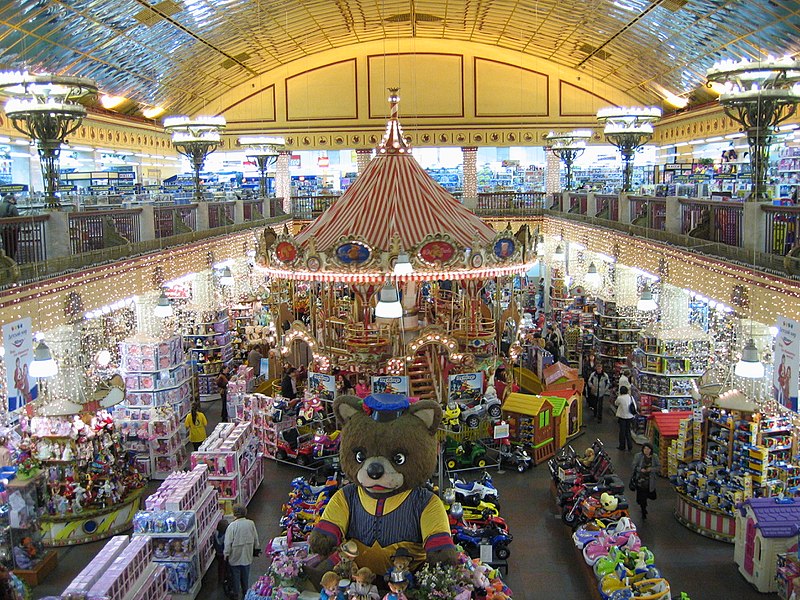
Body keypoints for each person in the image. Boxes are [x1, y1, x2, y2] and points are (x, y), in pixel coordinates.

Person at [224, 504, 260, 600]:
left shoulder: (232, 526)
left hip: (235, 554)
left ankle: (236, 593)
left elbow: (228, 542)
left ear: (234, 513)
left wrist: (226, 554)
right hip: (247, 553)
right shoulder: (250, 523)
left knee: (235, 575)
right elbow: (255, 537)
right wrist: (256, 548)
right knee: (245, 574)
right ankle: (246, 593)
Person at [632, 442, 660, 520]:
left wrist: (651, 469)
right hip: (640, 480)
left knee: (649, 495)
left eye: (648, 449)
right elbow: (634, 466)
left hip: (650, 481)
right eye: (645, 448)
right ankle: (643, 510)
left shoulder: (654, 457)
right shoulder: (638, 456)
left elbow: (658, 467)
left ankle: (644, 505)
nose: (646, 450)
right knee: (642, 496)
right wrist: (640, 470)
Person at [614, 386, 636, 451]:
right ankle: (630, 446)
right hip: (630, 416)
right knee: (628, 431)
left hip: (622, 417)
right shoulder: (630, 397)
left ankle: (622, 446)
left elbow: (616, 403)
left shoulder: (620, 398)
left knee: (622, 432)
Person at [0, 194, 20, 261]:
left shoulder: (0, 206)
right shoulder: (12, 207)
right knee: (13, 247)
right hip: (12, 230)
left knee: (5, 245)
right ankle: (12, 261)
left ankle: (6, 260)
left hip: (2, 230)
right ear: (10, 200)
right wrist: (18, 229)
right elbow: (18, 219)